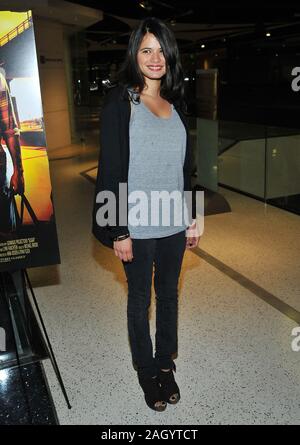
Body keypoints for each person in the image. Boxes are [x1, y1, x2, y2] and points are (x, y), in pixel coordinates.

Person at [92, 17, 200, 412]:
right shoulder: (122, 103)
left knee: (169, 294)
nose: (155, 59)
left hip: (173, 222)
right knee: (140, 300)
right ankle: (145, 369)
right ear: (135, 55)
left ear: (170, 57)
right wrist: (118, 229)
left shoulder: (177, 105)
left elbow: (186, 170)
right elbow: (111, 168)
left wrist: (193, 215)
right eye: (146, 50)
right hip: (135, 223)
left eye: (161, 51)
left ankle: (165, 362)